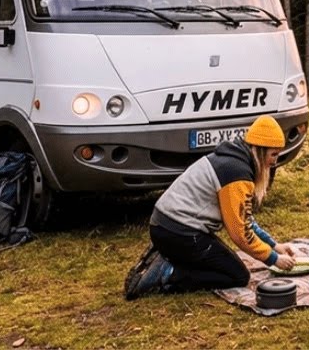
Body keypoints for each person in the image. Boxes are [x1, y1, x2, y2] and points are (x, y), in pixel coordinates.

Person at [124, 115, 296, 299]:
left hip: (167, 227)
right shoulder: (236, 173)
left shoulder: (233, 160)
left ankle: (169, 256)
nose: (275, 161)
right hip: (178, 233)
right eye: (273, 154)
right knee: (237, 276)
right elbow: (240, 233)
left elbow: (244, 218)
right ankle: (167, 273)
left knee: (224, 264)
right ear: (260, 151)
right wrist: (273, 259)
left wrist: (274, 246)